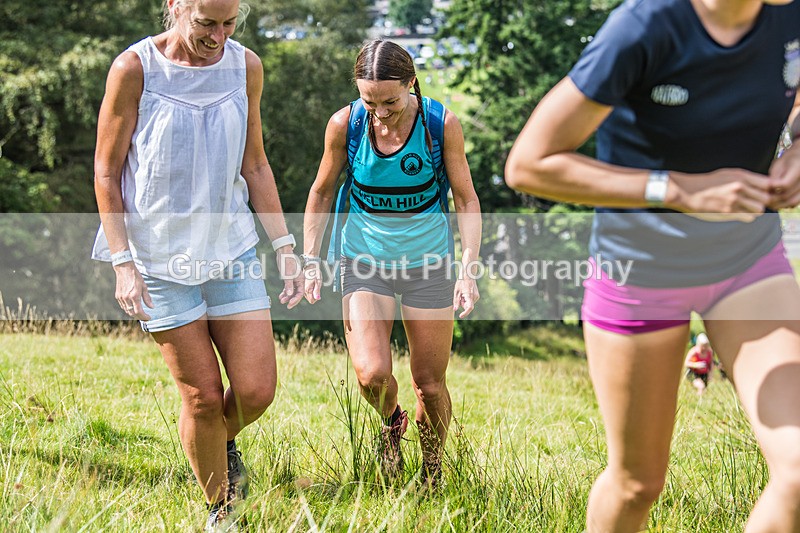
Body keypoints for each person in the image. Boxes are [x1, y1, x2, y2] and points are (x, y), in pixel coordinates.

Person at [505, 0, 800, 531]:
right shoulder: (645, 26)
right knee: (638, 483)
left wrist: (798, 145)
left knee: (798, 473)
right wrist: (677, 190)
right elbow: (529, 164)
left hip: (748, 260)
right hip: (640, 274)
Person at [91, 0, 303, 529]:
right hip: (157, 257)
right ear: (175, 6)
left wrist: (285, 248)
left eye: (230, 23)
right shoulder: (134, 68)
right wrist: (122, 261)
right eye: (206, 23)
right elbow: (106, 171)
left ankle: (215, 444)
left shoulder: (246, 66)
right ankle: (223, 510)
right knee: (203, 398)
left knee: (256, 390)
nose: (218, 36)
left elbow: (255, 163)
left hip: (230, 248)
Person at [302, 40, 481, 488]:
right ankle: (392, 421)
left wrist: (468, 269)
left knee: (430, 385)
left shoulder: (440, 125)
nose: (380, 113)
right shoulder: (345, 125)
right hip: (364, 260)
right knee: (371, 374)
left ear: (411, 84)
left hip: (429, 264)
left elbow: (466, 199)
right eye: (370, 102)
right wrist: (310, 260)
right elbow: (321, 192)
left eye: (390, 102)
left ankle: (432, 472)